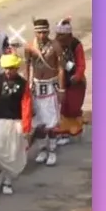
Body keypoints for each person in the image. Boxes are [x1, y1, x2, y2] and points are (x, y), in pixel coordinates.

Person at [0, 49, 32, 195]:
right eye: (6, 68)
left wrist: (26, 128)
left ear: (16, 68)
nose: (8, 71)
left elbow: (26, 106)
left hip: (15, 123)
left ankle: (7, 181)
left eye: (11, 68)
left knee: (11, 154)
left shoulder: (23, 84)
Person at [23, 18, 63, 166]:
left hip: (51, 86)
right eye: (39, 32)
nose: (42, 35)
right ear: (35, 32)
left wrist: (62, 88)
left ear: (48, 31)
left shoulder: (55, 46)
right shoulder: (29, 47)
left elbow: (61, 68)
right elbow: (26, 67)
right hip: (37, 87)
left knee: (51, 123)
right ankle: (42, 149)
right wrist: (27, 86)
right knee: (38, 122)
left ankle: (52, 150)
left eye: (44, 32)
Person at [54, 17, 88, 145]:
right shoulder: (55, 45)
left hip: (75, 83)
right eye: (58, 34)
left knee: (72, 108)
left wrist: (77, 76)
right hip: (60, 81)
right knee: (62, 108)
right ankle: (63, 132)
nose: (59, 37)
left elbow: (81, 64)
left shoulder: (76, 45)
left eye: (61, 35)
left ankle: (74, 131)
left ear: (68, 34)